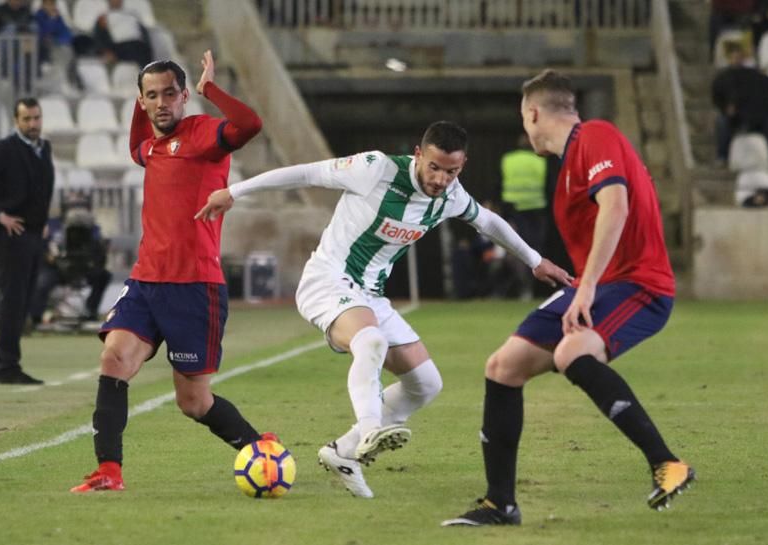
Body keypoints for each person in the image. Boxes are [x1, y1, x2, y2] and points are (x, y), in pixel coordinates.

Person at [196, 121, 573, 498]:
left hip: (370, 295)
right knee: (371, 340)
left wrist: (535, 260)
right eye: (435, 168)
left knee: (426, 384)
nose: (441, 179)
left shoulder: (452, 195)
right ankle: (370, 428)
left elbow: (488, 222)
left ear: (463, 165)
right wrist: (235, 191)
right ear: (418, 154)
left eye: (452, 171)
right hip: (327, 281)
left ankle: (343, 452)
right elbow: (307, 173)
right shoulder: (376, 169)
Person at [442, 70, 694, 528]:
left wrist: (590, 285)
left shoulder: (595, 136)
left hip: (640, 285)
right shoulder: (568, 167)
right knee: (503, 367)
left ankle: (667, 463)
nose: (525, 127)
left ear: (534, 112)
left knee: (572, 350)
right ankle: (501, 504)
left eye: (524, 117)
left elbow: (616, 206)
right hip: (594, 286)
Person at [70, 51, 270, 493]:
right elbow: (136, 147)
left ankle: (261, 449)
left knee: (193, 401)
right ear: (142, 101)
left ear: (183, 96)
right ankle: (109, 470)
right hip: (146, 282)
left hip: (195, 287)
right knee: (114, 358)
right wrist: (139, 108)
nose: (161, 103)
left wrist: (211, 91)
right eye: (151, 96)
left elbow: (251, 124)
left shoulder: (204, 133)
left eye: (169, 94)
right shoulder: (151, 148)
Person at [0, 98, 54, 385]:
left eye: (36, 118)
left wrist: (41, 224)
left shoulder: (44, 148)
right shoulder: (5, 149)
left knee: (22, 301)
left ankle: (7, 364)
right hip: (12, 236)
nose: (32, 124)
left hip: (31, 234)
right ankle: (5, 367)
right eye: (27, 119)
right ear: (16, 121)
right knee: (13, 302)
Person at [28, 194, 111, 325]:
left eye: (81, 207)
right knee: (41, 282)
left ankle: (90, 310)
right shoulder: (52, 225)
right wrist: (49, 254)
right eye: (73, 207)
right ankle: (36, 317)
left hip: (83, 267)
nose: (77, 211)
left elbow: (99, 251)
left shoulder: (93, 229)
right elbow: (41, 245)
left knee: (104, 276)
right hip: (57, 267)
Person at [498, 134, 548, 300]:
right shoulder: (540, 161)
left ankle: (523, 286)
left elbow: (499, 184)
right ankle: (530, 287)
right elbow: (549, 186)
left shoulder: (508, 160)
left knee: (517, 249)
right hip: (536, 210)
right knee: (535, 250)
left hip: (514, 210)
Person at [712, 43, 768, 161]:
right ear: (729, 58)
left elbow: (766, 84)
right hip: (731, 115)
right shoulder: (722, 78)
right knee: (721, 122)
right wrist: (725, 108)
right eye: (734, 57)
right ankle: (722, 156)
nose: (736, 60)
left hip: (750, 112)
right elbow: (716, 98)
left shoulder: (751, 74)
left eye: (739, 57)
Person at [93, 0, 154, 68]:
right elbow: (98, 36)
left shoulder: (132, 14)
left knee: (144, 51)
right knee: (139, 52)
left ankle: (148, 73)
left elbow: (144, 33)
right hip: (120, 46)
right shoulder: (104, 17)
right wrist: (106, 50)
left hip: (138, 44)